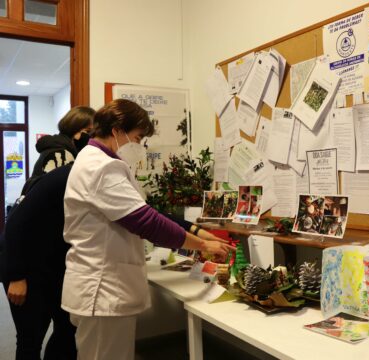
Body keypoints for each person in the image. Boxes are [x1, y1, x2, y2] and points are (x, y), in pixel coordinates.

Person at [61, 99, 234, 359]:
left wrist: (199, 233)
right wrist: (203, 246)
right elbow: (147, 222)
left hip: (103, 285)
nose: (140, 146)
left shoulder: (101, 161)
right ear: (117, 129)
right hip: (102, 288)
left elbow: (148, 212)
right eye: (138, 137)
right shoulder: (101, 167)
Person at [0, 165, 77, 360]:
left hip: (52, 268)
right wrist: (17, 277)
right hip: (22, 269)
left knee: (67, 328)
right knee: (30, 339)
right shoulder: (64, 179)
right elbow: (14, 225)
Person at [22, 106, 95, 194]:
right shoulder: (61, 153)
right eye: (88, 131)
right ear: (75, 128)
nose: (90, 137)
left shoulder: (58, 147)